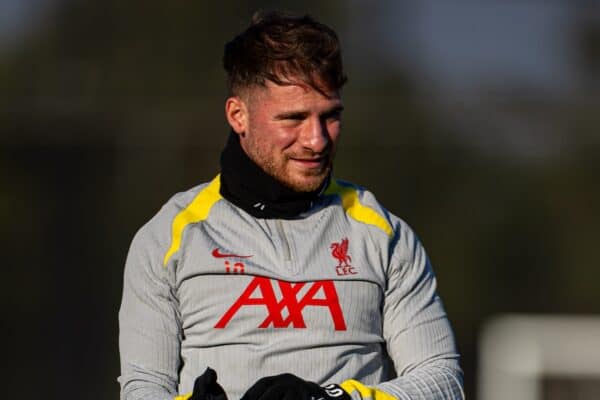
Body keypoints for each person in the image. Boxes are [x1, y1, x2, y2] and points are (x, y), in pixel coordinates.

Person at [118, 11, 464, 400]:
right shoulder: (167, 236)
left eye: (330, 116)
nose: (316, 140)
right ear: (238, 115)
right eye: (294, 118)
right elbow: (142, 388)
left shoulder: (384, 235)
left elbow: (442, 382)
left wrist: (332, 399)